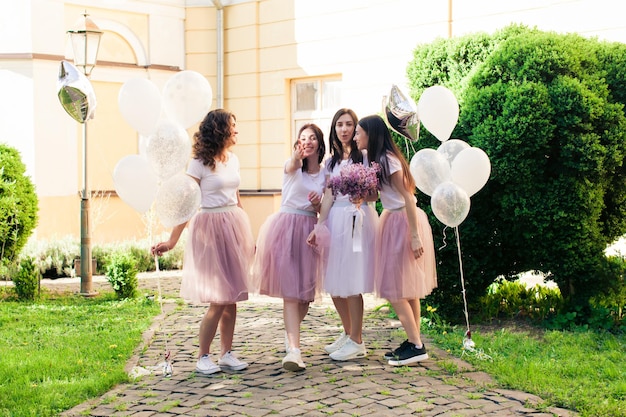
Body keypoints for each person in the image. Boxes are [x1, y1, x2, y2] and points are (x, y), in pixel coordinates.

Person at [151, 109, 256, 375]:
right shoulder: (198, 163)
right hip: (210, 230)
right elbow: (188, 201)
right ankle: (202, 357)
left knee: (232, 297)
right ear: (220, 130)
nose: (237, 130)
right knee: (218, 299)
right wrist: (172, 241)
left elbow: (236, 196)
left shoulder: (233, 160)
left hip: (233, 225)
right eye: (233, 126)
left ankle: (227, 353)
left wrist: (247, 234)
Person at [353, 114, 437, 366]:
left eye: (359, 132)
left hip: (404, 220)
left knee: (394, 287)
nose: (356, 137)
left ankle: (417, 345)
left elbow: (408, 198)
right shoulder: (373, 159)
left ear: (371, 134)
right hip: (392, 218)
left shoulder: (389, 160)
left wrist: (414, 236)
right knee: (406, 287)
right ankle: (415, 342)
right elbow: (376, 196)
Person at [307, 108, 378, 361]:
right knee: (335, 282)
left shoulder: (365, 157)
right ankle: (348, 333)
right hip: (335, 220)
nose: (345, 129)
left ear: (355, 128)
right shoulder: (331, 162)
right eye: (340, 125)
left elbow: (374, 194)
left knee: (350, 280)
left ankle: (357, 341)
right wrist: (320, 226)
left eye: (349, 125)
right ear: (334, 129)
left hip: (356, 220)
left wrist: (361, 196)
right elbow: (328, 195)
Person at [253, 124, 326, 372]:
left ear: (320, 142)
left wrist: (318, 205)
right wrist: (297, 155)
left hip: (308, 230)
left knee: (306, 295)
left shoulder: (325, 175)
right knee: (291, 293)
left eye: (312, 138)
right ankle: (294, 351)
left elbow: (322, 210)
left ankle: (290, 333)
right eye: (303, 138)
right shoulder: (292, 167)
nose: (307, 142)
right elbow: (293, 163)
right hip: (286, 228)